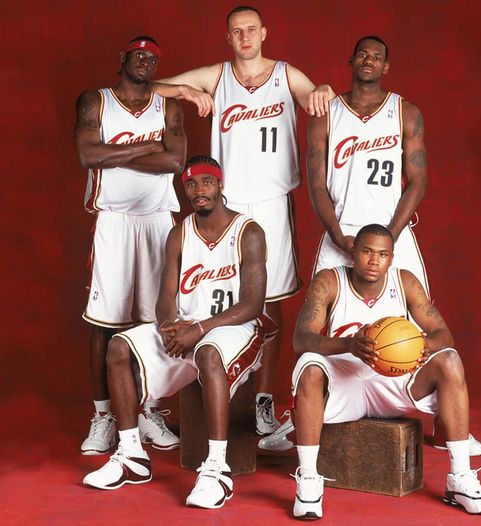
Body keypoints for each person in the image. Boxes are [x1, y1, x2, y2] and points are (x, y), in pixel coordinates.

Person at [260, 35, 481, 454]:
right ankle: (306, 413)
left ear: (386, 67)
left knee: (418, 323)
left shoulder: (405, 112)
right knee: (322, 324)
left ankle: (448, 424)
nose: (369, 60)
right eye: (363, 54)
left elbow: (418, 180)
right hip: (341, 231)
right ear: (351, 60)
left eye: (377, 57)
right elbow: (316, 182)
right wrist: (335, 234)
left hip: (392, 233)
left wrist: (391, 236)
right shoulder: (327, 114)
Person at [151, 5, 334, 435]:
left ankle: (263, 401)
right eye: (237, 31)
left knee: (270, 303)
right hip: (226, 204)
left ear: (264, 33)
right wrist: (186, 91)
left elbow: (316, 97)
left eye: (251, 29)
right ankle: (213, 397)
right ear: (228, 38)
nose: (245, 37)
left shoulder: (286, 75)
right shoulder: (217, 76)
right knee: (208, 294)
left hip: (271, 201)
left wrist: (324, 88)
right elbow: (151, 88)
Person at [83, 156, 275, 509]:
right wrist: (168, 328)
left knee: (208, 352)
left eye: (207, 182)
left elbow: (253, 304)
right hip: (188, 325)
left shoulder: (249, 232)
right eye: (190, 184)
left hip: (236, 327)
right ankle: (131, 455)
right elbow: (165, 297)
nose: (199, 190)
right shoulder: (179, 233)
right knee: (120, 347)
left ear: (220, 185)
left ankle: (217, 469)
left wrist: (199, 329)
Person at [290, 224, 481, 519]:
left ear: (391, 257)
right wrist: (349, 344)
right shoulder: (329, 281)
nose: (374, 260)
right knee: (309, 364)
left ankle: (460, 477)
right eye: (367, 251)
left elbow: (444, 335)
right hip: (344, 381)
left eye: (382, 254)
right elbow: (301, 339)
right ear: (353, 252)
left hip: (394, 382)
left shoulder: (405, 282)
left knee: (449, 359)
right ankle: (309, 478)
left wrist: (423, 346)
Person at [74, 36, 187, 455]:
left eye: (153, 58)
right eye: (139, 54)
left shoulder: (168, 107)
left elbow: (174, 161)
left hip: (157, 220)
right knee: (106, 322)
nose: (145, 61)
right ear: (123, 58)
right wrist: (147, 147)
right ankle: (103, 415)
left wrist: (114, 152)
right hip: (114, 220)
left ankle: (147, 410)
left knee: (156, 320)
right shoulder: (96, 101)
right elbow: (87, 154)